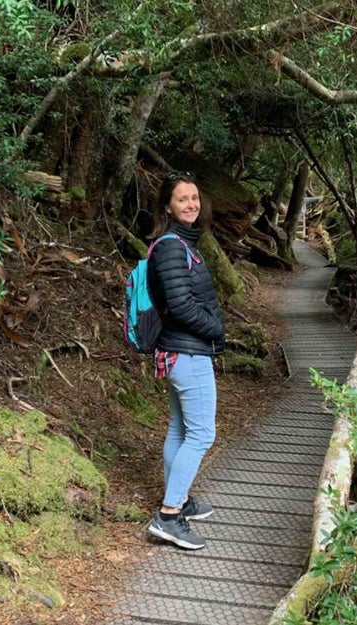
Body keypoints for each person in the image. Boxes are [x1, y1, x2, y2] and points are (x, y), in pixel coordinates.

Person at [145, 170, 225, 550]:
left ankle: (179, 499)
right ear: (168, 206)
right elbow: (179, 305)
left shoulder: (179, 243)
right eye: (182, 199)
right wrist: (215, 329)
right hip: (187, 353)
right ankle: (169, 515)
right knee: (201, 434)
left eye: (194, 198)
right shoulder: (173, 247)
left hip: (179, 352)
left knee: (180, 429)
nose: (191, 204)